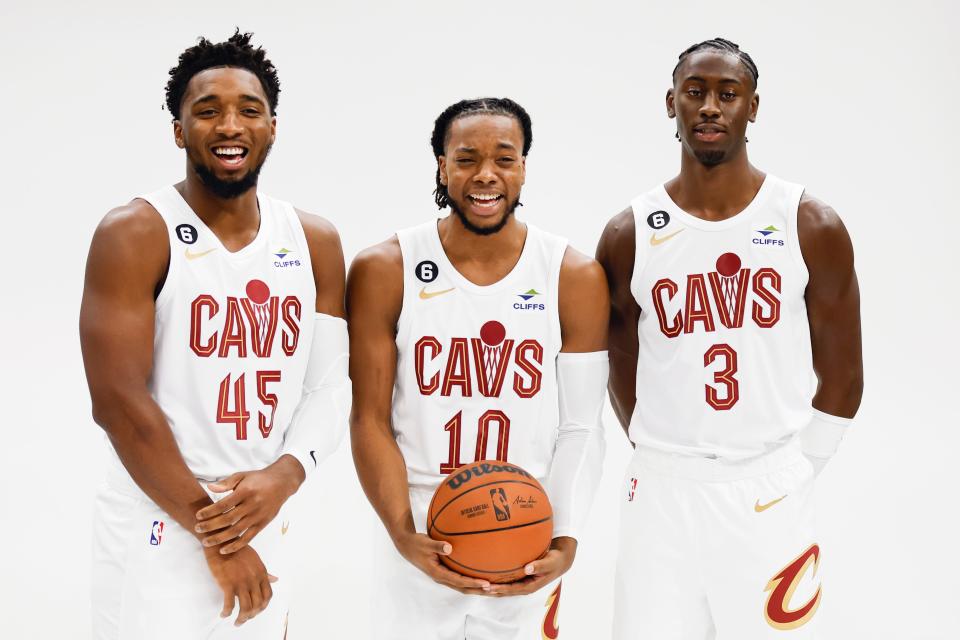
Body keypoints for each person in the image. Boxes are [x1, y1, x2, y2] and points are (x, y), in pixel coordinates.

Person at [80, 31, 349, 639]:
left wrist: (287, 473)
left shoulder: (315, 240)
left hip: (263, 511)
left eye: (248, 110)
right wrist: (216, 534)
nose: (230, 125)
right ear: (179, 131)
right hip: (161, 518)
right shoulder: (135, 232)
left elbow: (331, 387)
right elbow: (118, 405)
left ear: (272, 127)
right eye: (207, 111)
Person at [597, 38, 863, 639]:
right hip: (661, 491)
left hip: (769, 483)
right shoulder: (629, 231)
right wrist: (661, 443)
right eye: (695, 93)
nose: (710, 107)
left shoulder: (808, 222)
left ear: (753, 107)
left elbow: (845, 378)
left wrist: (800, 469)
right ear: (671, 104)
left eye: (727, 94)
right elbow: (618, 356)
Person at [348, 98, 609, 639]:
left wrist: (566, 537)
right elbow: (369, 418)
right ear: (442, 166)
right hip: (419, 518)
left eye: (504, 159)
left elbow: (581, 424)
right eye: (466, 159)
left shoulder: (572, 274)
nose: (485, 175)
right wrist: (401, 532)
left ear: (523, 168)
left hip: (526, 522)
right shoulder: (386, 267)